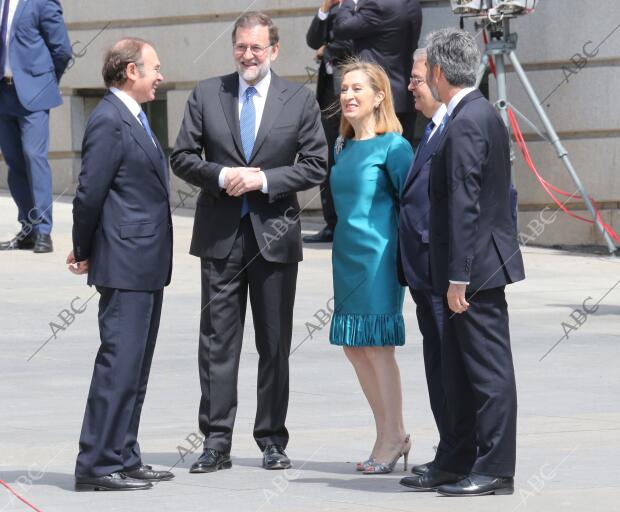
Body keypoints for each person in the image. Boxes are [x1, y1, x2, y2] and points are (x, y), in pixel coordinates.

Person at [170, 12, 327, 473]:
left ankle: (272, 439)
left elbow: (317, 164)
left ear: (274, 51)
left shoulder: (297, 99)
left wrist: (262, 179)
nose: (248, 55)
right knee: (218, 342)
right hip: (220, 238)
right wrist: (220, 174)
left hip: (275, 236)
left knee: (274, 343)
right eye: (241, 46)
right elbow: (181, 156)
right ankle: (216, 442)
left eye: (257, 47)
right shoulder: (207, 93)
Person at [401, 28, 525, 497]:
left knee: (487, 370)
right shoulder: (469, 113)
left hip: (475, 271)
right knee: (456, 367)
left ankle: (494, 467)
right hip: (463, 268)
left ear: (436, 71)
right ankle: (457, 459)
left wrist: (460, 276)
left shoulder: (470, 118)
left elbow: (465, 203)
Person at [69, 38, 174, 491]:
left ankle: (124, 454)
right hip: (125, 260)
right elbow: (89, 192)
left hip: (144, 260)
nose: (160, 76)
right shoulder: (109, 120)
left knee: (136, 365)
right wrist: (83, 247)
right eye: (154, 67)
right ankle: (95, 462)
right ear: (131, 71)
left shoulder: (134, 116)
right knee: (118, 362)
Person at [329, 60, 413, 474]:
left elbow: (412, 205)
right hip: (345, 257)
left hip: (379, 258)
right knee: (353, 345)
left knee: (378, 347)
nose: (348, 95)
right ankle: (387, 433)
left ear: (379, 96)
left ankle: (393, 437)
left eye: (357, 88)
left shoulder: (394, 146)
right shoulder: (341, 146)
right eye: (344, 88)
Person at [397, 48, 454, 479]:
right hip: (422, 274)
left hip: (442, 274)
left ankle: (456, 456)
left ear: (438, 77)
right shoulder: (430, 129)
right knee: (437, 367)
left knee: (451, 370)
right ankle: (449, 451)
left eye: (416, 79)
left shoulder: (457, 128)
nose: (410, 87)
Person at [0, 0, 71, 253]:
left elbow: (62, 49)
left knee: (34, 157)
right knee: (14, 162)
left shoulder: (41, 1)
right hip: (3, 94)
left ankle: (43, 231)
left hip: (34, 95)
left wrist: (47, 83)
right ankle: (28, 229)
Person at [332, 0, 422, 144]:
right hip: (404, 98)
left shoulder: (377, 5)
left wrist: (348, 2)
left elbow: (341, 28)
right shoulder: (412, 4)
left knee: (370, 159)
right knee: (402, 157)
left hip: (378, 100)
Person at [303, 0, 353, 244]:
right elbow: (313, 40)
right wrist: (323, 9)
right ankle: (331, 223)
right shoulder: (332, 9)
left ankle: (347, 222)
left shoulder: (360, 6)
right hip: (327, 96)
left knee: (348, 160)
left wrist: (328, 50)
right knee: (328, 158)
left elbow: (354, 42)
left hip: (351, 95)